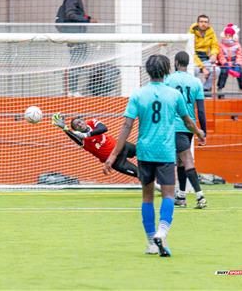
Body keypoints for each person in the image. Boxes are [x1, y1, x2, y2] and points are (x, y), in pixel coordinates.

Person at [104, 55, 205, 257]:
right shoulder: (174, 95)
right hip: (166, 152)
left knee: (147, 197)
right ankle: (162, 232)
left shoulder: (139, 95)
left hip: (145, 152)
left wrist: (112, 155)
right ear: (167, 70)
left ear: (147, 71)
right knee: (168, 195)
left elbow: (126, 126)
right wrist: (198, 132)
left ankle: (151, 242)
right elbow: (187, 121)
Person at [165, 51, 208, 209]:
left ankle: (200, 196)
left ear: (176, 62)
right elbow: (201, 110)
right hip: (190, 126)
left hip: (175, 126)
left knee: (186, 159)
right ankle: (181, 196)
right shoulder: (196, 82)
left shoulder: (169, 80)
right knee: (181, 161)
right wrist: (203, 131)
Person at [52, 113, 138, 178]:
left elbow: (104, 128)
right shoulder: (81, 139)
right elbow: (74, 137)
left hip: (121, 146)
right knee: (140, 174)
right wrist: (64, 127)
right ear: (76, 130)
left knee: (145, 152)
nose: (79, 125)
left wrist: (87, 134)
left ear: (83, 120)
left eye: (79, 122)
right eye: (76, 126)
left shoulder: (92, 122)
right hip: (114, 160)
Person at [56, 0, 97, 95]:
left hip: (76, 34)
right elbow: (70, 14)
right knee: (76, 62)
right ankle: (72, 91)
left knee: (77, 61)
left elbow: (74, 13)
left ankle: (72, 90)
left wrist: (87, 18)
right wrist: (87, 20)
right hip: (74, 34)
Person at [189, 15, 221, 93]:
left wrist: (214, 54)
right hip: (194, 59)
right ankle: (194, 90)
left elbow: (215, 45)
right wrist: (203, 67)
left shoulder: (211, 32)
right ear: (197, 23)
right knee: (195, 70)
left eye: (206, 22)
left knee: (216, 70)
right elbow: (191, 51)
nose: (203, 24)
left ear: (208, 23)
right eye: (201, 22)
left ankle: (205, 89)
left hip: (206, 58)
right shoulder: (191, 32)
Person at [217, 23, 242, 93]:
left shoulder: (237, 45)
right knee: (223, 72)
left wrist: (238, 64)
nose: (228, 37)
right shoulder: (221, 45)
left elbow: (240, 55)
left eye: (230, 35)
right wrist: (224, 63)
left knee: (241, 72)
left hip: (235, 62)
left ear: (233, 36)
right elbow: (220, 55)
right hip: (225, 62)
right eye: (226, 35)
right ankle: (220, 89)